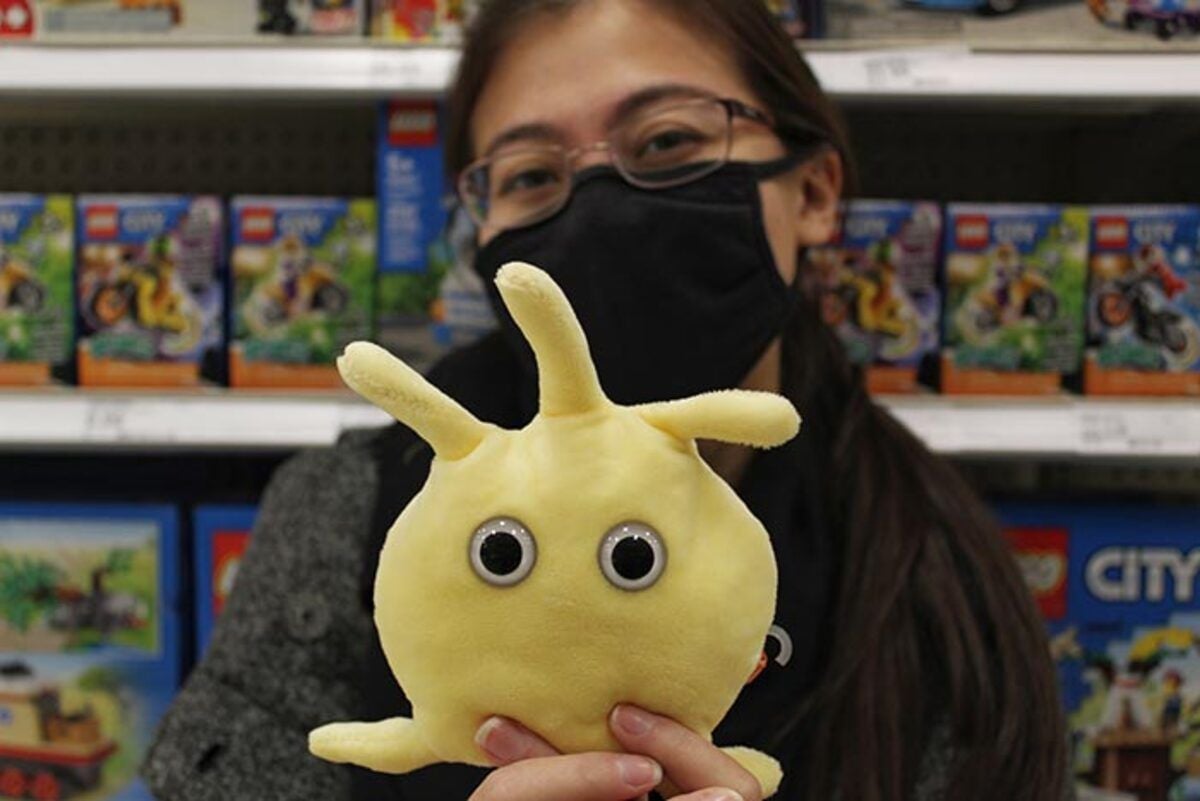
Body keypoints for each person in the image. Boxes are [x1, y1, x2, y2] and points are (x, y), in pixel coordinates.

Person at [142, 2, 1069, 800]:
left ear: (816, 192)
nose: (602, 205)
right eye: (531, 175)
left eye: (667, 142)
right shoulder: (347, 514)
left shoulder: (931, 566)